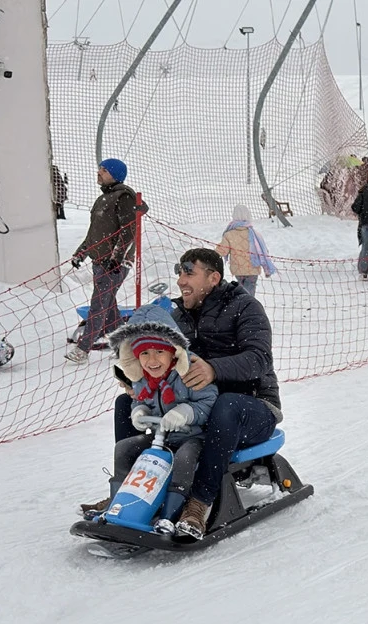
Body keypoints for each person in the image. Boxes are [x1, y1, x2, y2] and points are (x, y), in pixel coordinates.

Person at [105, 248, 281, 540]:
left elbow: (259, 358)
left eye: (189, 272)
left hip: (251, 407)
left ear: (213, 278)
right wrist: (136, 379)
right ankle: (131, 493)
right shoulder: (176, 314)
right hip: (196, 409)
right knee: (127, 403)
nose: (180, 281)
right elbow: (158, 357)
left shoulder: (245, 307)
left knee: (227, 404)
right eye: (179, 273)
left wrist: (214, 370)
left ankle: (199, 503)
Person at [79, 305, 218, 534]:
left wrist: (185, 412)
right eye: (144, 353)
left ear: (173, 351)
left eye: (158, 352)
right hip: (161, 438)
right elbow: (140, 400)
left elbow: (209, 401)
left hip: (194, 437)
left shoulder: (190, 370)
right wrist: (140, 410)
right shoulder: (144, 378)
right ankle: (118, 503)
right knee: (125, 448)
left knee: (184, 457)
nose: (151, 360)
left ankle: (173, 513)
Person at [66, 158, 139, 364]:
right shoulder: (102, 199)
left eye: (104, 170)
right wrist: (81, 252)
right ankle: (125, 345)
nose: (99, 172)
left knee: (99, 304)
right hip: (100, 261)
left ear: (115, 174)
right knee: (108, 305)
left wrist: (117, 258)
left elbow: (128, 231)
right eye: (100, 169)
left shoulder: (124, 197)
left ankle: (83, 350)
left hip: (115, 263)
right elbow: (95, 234)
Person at [215, 204, 276, 296]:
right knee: (250, 293)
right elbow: (263, 253)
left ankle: (243, 305)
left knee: (242, 291)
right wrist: (266, 268)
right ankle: (249, 306)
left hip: (238, 270)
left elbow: (222, 251)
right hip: (253, 270)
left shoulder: (229, 234)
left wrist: (211, 255)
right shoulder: (255, 235)